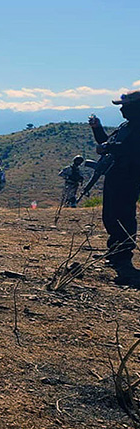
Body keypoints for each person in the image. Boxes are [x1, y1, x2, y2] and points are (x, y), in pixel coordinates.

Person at [89, 91, 140, 286]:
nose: (121, 109)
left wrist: (110, 149)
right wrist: (97, 128)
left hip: (128, 177)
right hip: (115, 175)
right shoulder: (127, 126)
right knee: (110, 214)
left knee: (123, 214)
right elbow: (106, 143)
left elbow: (133, 150)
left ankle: (123, 254)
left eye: (124, 105)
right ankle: (115, 251)